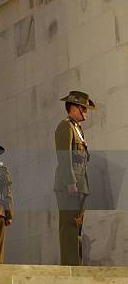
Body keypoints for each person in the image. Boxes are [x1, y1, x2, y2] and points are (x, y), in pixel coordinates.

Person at [54, 90, 94, 266]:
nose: (85, 112)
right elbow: (64, 157)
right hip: (70, 185)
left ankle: (76, 265)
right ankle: (70, 266)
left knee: (76, 226)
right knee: (69, 227)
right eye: (83, 108)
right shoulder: (65, 126)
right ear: (73, 108)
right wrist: (70, 182)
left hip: (81, 184)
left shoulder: (78, 129)